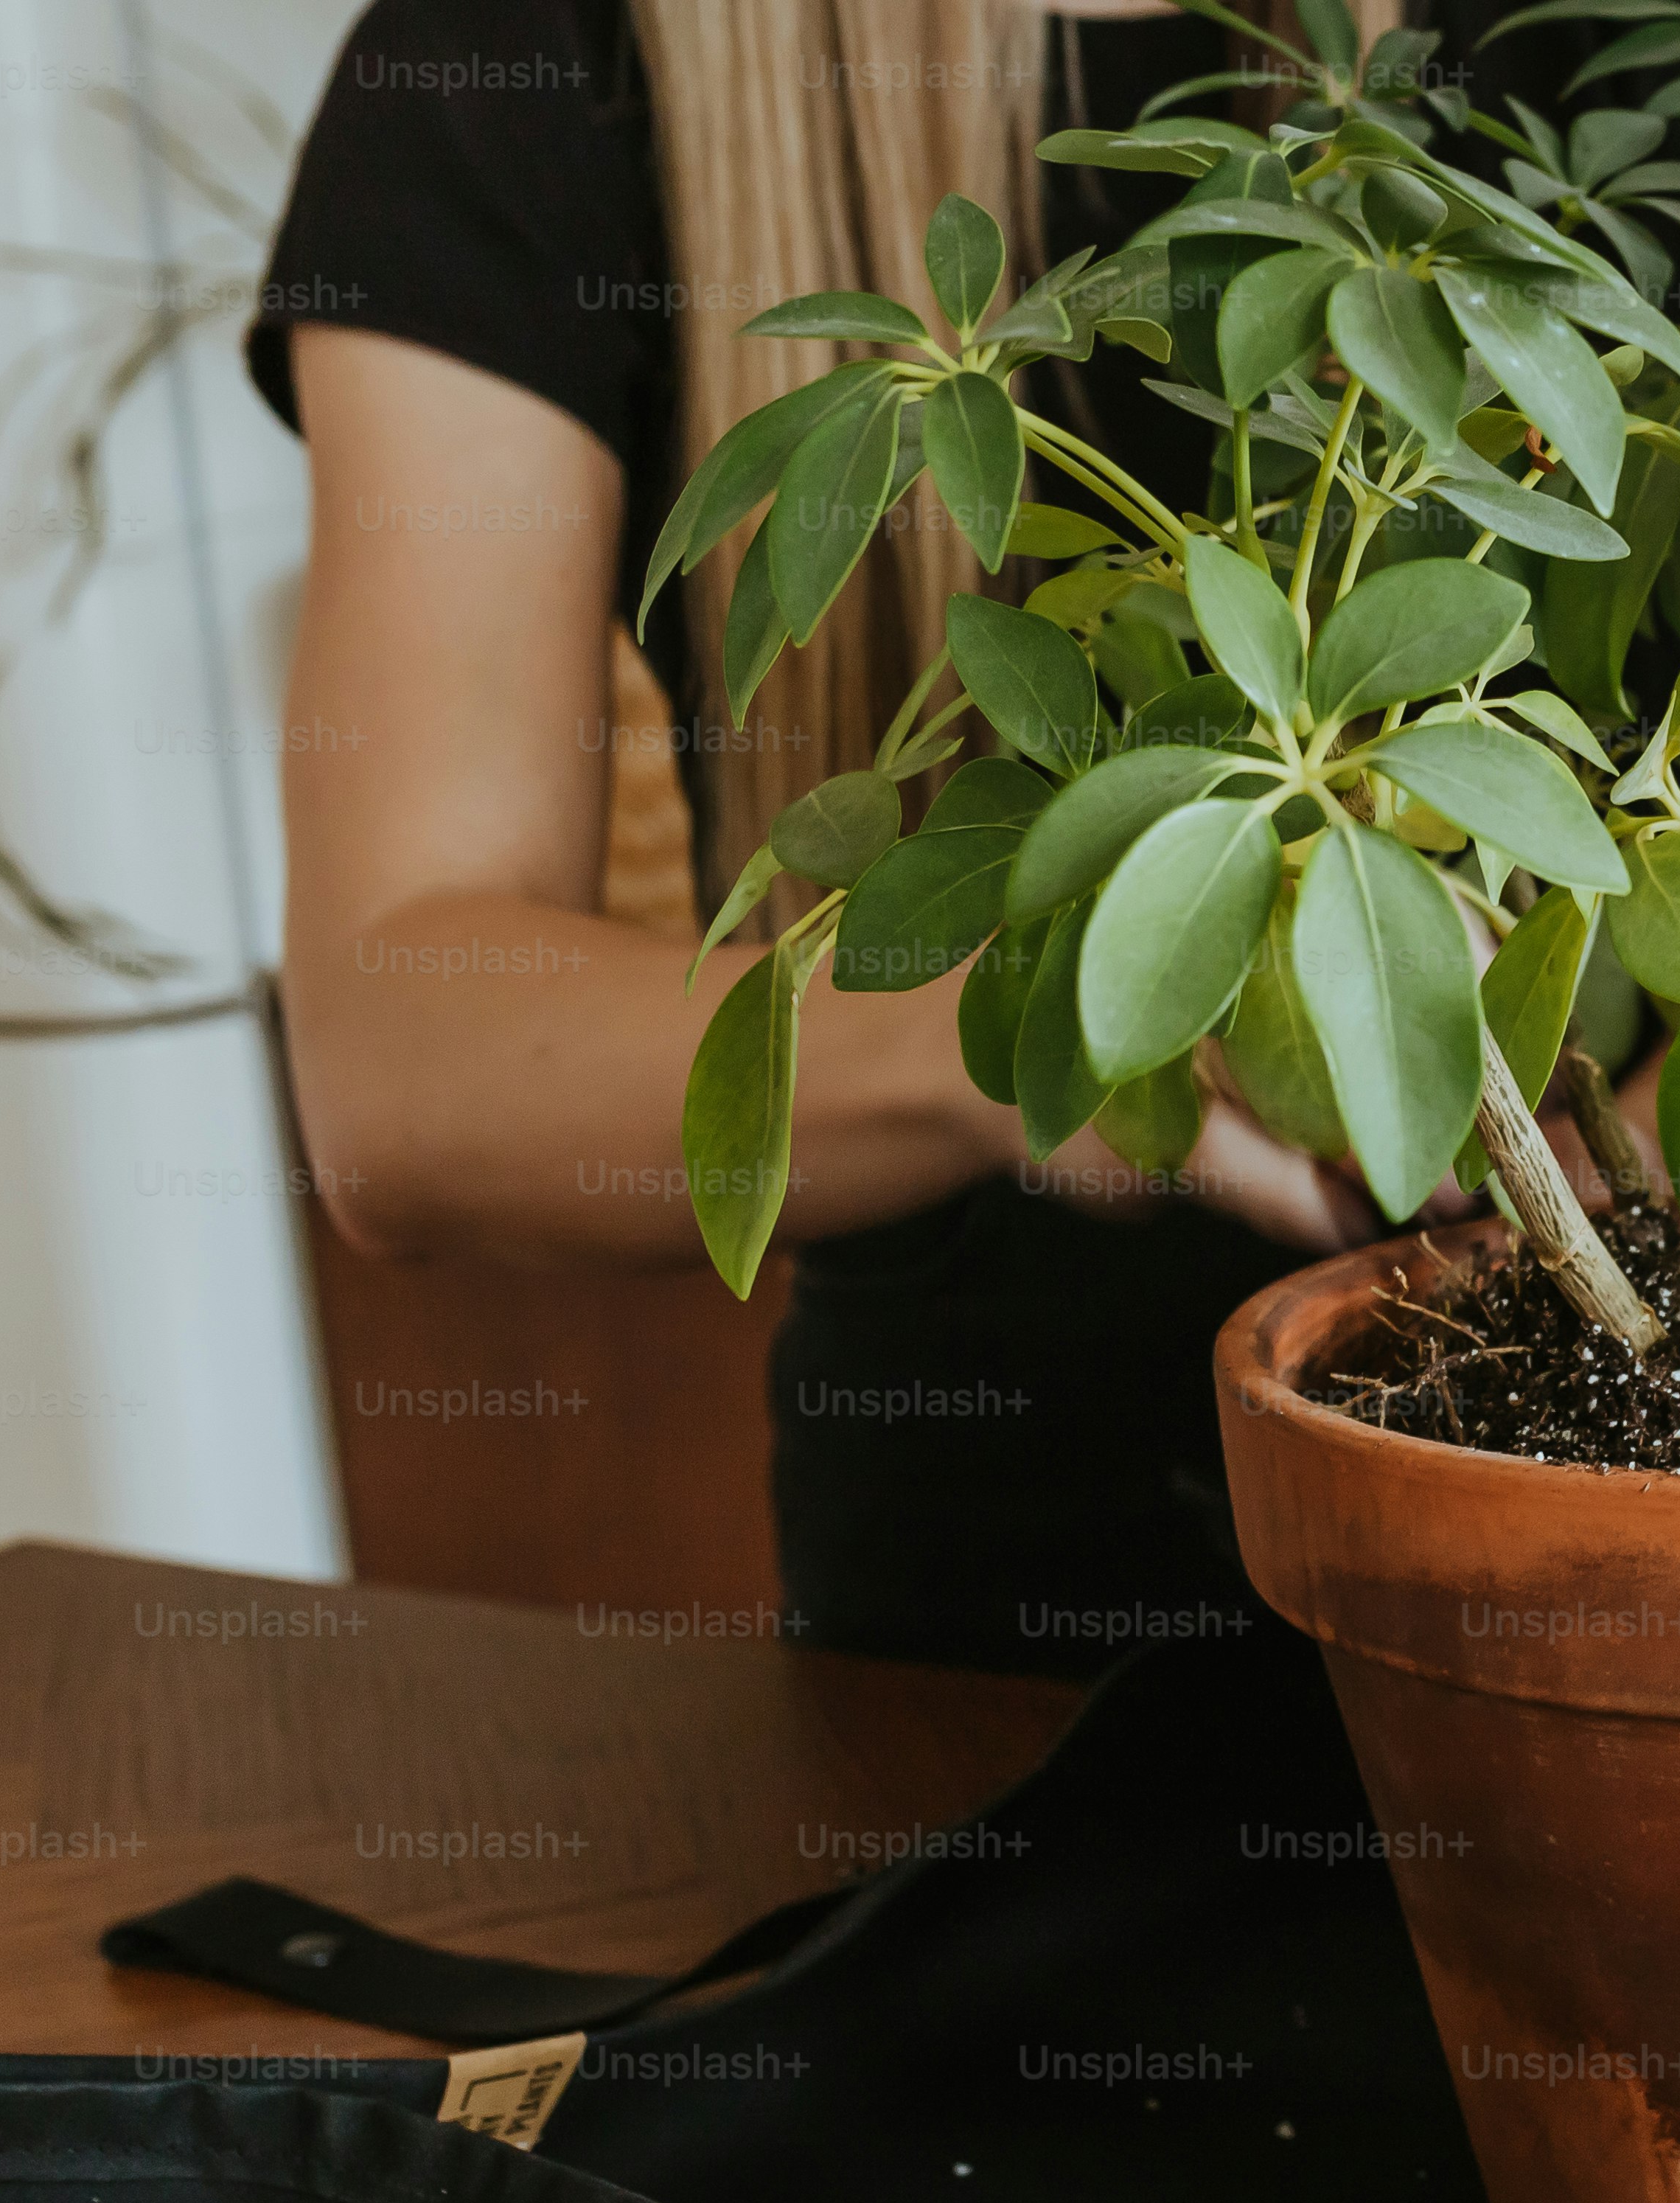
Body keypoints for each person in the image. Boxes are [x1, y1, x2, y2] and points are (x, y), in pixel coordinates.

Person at [258, 0, 1400, 1674]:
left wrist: (1637, 1194)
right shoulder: (515, 62)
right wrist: (1023, 1035)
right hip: (1024, 1640)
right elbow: (401, 1051)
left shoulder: (1674, 38)